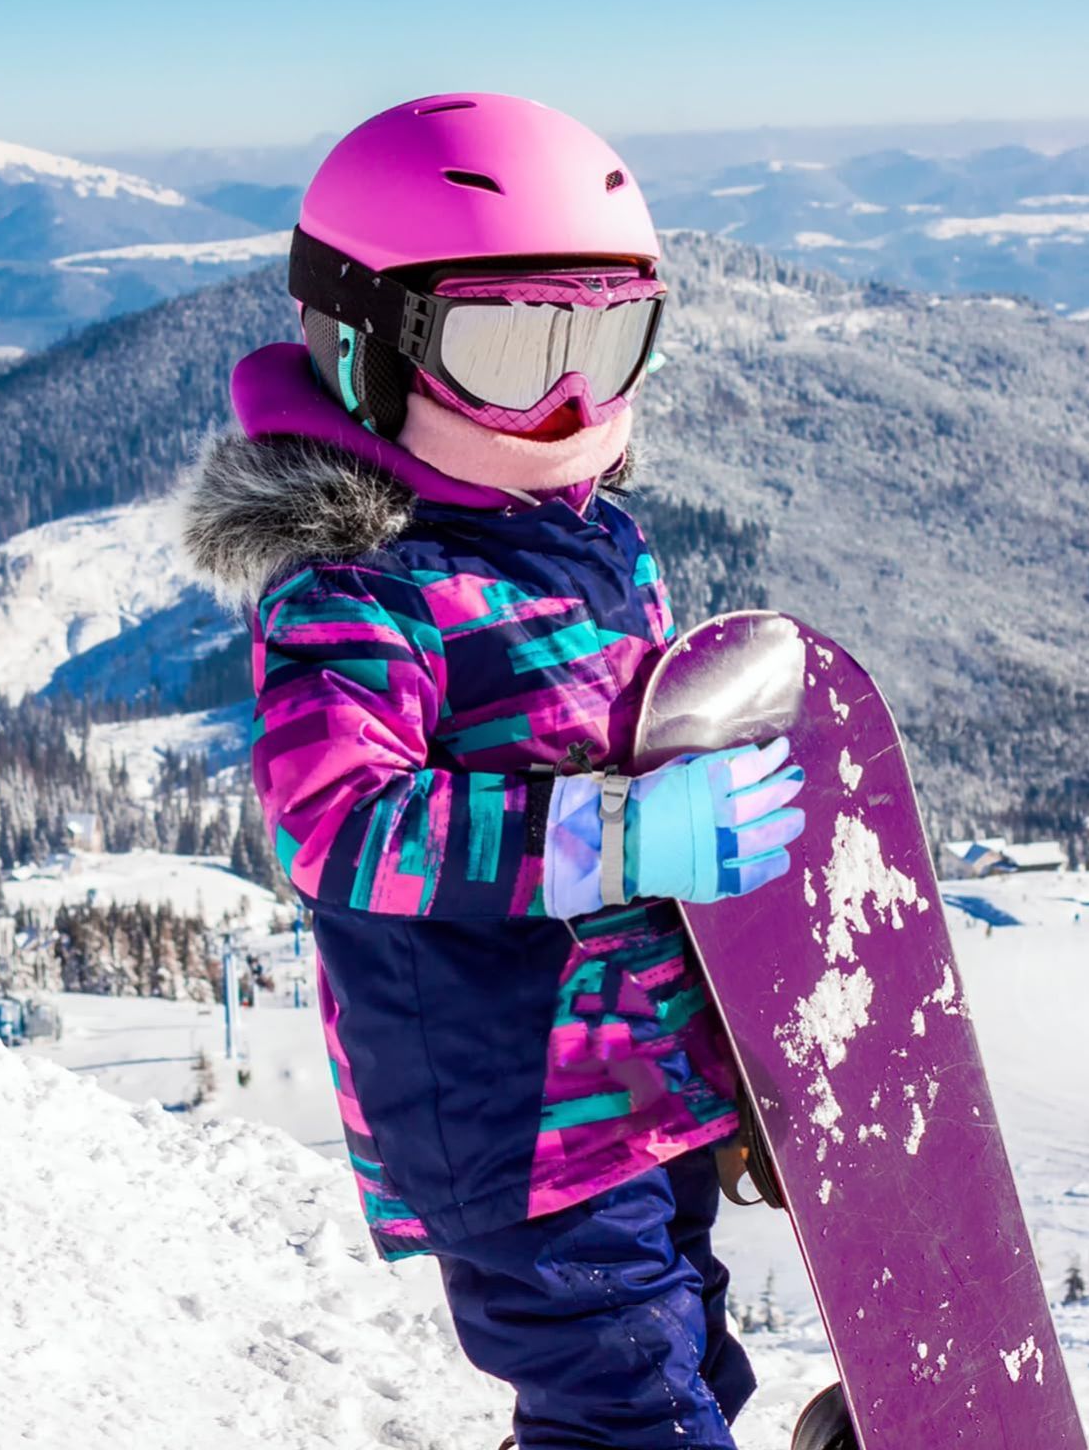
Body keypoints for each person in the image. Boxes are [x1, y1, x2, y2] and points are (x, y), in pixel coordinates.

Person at [182, 93, 808, 1450]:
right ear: (369, 353)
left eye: (607, 339)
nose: (571, 399)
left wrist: (729, 1037)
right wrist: (629, 836)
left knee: (687, 1366)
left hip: (640, 1085)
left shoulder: (601, 544)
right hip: (513, 1114)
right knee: (628, 1413)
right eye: (512, 349)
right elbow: (340, 827)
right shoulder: (358, 593)